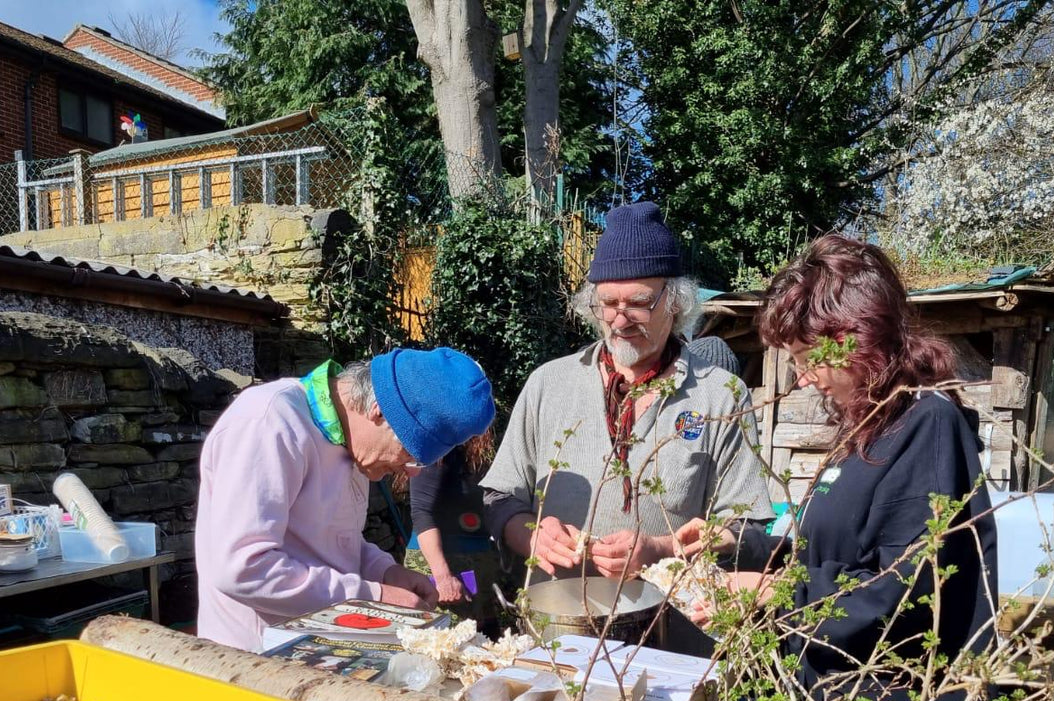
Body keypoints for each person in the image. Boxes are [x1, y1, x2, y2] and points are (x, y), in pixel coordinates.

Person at [691, 235, 998, 695]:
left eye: (806, 358)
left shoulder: (928, 424)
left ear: (854, 338)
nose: (802, 379)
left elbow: (905, 592)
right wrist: (740, 544)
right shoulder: (873, 425)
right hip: (831, 689)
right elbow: (833, 555)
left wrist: (772, 592)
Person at [481, 202, 772, 581]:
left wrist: (662, 551)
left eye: (638, 304)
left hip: (668, 627)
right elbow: (498, 498)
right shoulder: (548, 384)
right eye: (607, 304)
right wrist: (531, 535)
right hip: (558, 626)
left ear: (676, 302)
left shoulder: (720, 395)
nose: (620, 320)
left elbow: (745, 528)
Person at [195, 347, 495, 652]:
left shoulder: (349, 442)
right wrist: (372, 596)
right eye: (411, 456)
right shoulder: (269, 422)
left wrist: (384, 571)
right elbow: (242, 567)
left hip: (318, 653)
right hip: (255, 658)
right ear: (379, 411)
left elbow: (331, 543)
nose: (410, 472)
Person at [403, 428, 502, 630]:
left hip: (477, 563)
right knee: (446, 646)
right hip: (441, 565)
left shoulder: (472, 454)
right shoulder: (435, 450)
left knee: (484, 645)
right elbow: (422, 513)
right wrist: (443, 577)